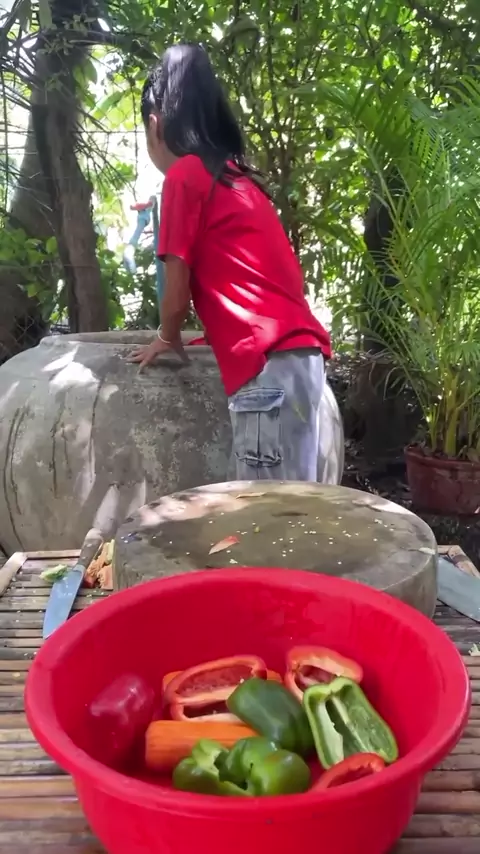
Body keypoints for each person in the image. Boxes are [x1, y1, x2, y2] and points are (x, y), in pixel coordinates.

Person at [127, 42, 332, 481]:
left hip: (268, 371)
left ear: (155, 125)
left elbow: (176, 288)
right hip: (301, 359)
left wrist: (167, 335)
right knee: (297, 505)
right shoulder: (237, 180)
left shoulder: (184, 177)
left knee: (263, 510)